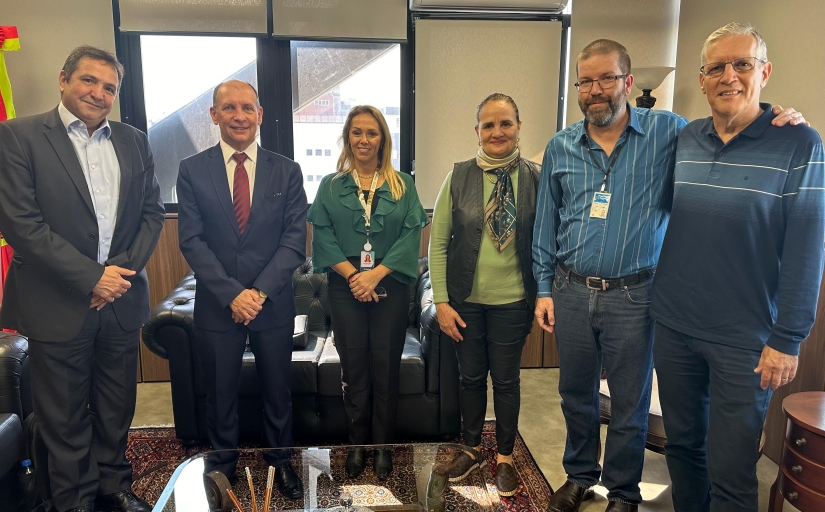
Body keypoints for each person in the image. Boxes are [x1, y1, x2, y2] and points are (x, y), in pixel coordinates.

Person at [532, 39, 806, 512]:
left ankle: (622, 492)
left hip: (636, 295)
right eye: (586, 81)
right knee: (574, 394)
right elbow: (545, 223)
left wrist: (775, 117)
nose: (595, 90)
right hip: (571, 289)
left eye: (607, 79)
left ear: (628, 82)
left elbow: (732, 128)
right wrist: (543, 288)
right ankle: (579, 477)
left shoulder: (672, 134)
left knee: (629, 405)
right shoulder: (559, 147)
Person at [650, 23, 824, 512]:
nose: (730, 76)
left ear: (764, 72)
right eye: (716, 68)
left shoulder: (800, 144)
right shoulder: (685, 139)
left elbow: (807, 249)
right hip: (675, 325)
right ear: (702, 80)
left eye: (742, 64)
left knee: (730, 468)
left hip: (746, 339)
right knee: (682, 448)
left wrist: (787, 339)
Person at [0, 46, 165, 512]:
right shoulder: (18, 136)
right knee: (63, 414)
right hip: (56, 302)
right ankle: (73, 500)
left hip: (121, 301)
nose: (98, 93)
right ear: (63, 79)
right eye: (88, 81)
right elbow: (21, 223)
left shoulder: (134, 140)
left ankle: (113, 487)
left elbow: (152, 214)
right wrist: (93, 278)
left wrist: (117, 277)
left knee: (116, 408)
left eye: (109, 87)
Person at [176, 80, 308, 499]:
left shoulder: (286, 170)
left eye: (247, 108)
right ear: (214, 115)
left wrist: (258, 293)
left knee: (277, 389)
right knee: (220, 392)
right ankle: (221, 466)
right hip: (218, 305)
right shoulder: (192, 169)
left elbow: (293, 242)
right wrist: (233, 293)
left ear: (260, 115)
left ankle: (281, 460)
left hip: (272, 303)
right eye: (229, 108)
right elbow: (192, 241)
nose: (239, 116)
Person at [307, 105, 427, 480]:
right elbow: (322, 238)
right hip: (345, 288)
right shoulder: (330, 185)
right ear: (347, 138)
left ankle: (383, 448)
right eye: (356, 132)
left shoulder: (402, 184)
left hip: (389, 284)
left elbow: (411, 236)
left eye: (371, 133)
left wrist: (374, 276)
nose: (363, 140)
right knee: (354, 369)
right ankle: (357, 444)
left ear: (382, 139)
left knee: (385, 368)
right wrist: (355, 278)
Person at [430, 93, 540, 497]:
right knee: (471, 378)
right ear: (476, 130)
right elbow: (438, 243)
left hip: (513, 301)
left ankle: (506, 457)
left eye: (505, 123)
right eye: (488, 125)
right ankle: (473, 447)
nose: (497, 132)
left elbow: (545, 242)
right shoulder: (457, 176)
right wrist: (441, 301)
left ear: (518, 127)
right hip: (465, 302)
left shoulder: (536, 177)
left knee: (507, 380)